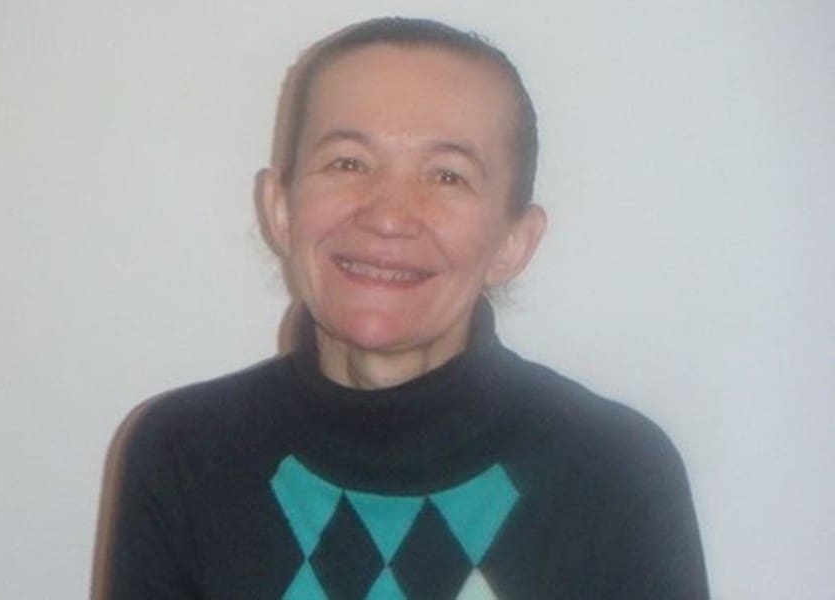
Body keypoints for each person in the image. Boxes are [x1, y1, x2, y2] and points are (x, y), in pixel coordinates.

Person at [93, 17, 707, 600]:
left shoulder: (616, 472)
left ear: (513, 242)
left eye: (447, 176)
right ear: (281, 208)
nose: (387, 215)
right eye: (348, 162)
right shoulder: (182, 455)